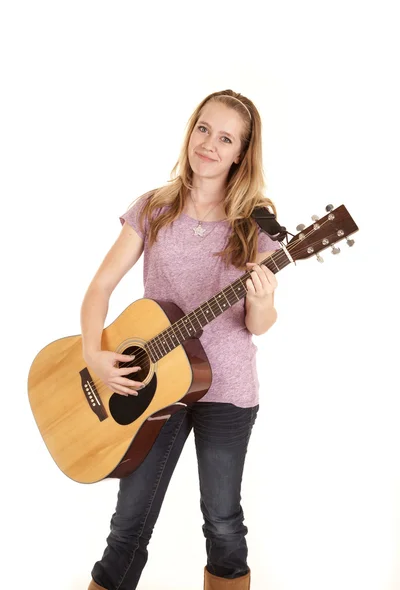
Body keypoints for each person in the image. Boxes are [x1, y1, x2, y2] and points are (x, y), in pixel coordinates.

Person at [80, 89, 280, 590]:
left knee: (223, 523)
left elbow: (260, 324)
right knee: (127, 527)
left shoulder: (257, 221)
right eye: (203, 129)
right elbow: (100, 288)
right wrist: (93, 354)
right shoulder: (155, 207)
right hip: (155, 388)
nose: (209, 144)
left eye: (226, 138)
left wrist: (261, 298)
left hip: (226, 392)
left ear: (241, 153)